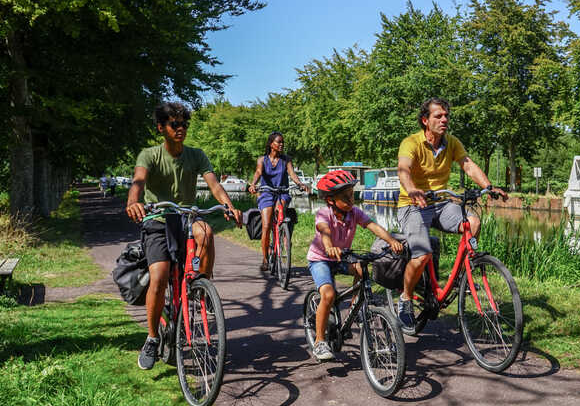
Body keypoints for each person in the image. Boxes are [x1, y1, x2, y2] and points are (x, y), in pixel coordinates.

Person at [126, 102, 242, 370]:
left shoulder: (196, 154)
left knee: (206, 231)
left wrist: (229, 205)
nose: (180, 130)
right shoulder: (149, 155)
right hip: (157, 218)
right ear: (161, 128)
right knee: (160, 275)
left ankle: (201, 287)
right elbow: (138, 182)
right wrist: (134, 201)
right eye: (174, 125)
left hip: (186, 217)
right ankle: (153, 337)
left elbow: (214, 184)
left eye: (184, 125)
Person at [396, 97, 508, 332]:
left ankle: (461, 276)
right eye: (438, 116)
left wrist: (488, 186)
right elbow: (403, 169)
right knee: (422, 254)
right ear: (425, 120)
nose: (444, 119)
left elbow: (468, 164)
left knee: (473, 222)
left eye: (446, 115)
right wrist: (412, 189)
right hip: (413, 204)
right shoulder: (411, 143)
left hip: (441, 203)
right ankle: (405, 299)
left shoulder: (452, 143)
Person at [307, 170, 403, 361]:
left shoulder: (353, 213)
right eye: (345, 197)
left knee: (362, 268)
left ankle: (355, 310)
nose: (351, 200)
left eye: (352, 195)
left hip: (342, 257)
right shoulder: (324, 214)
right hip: (321, 259)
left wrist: (391, 240)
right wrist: (329, 246)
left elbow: (372, 226)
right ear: (331, 200)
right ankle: (319, 342)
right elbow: (324, 230)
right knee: (328, 294)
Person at [247, 131, 310, 271]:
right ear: (271, 144)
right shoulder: (262, 160)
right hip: (266, 193)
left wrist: (300, 184)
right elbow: (258, 172)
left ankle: (282, 233)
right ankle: (264, 258)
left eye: (283, 142)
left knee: (279, 209)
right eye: (279, 142)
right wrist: (253, 184)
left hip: (282, 193)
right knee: (266, 224)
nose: (281, 144)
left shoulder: (286, 160)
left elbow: (292, 173)